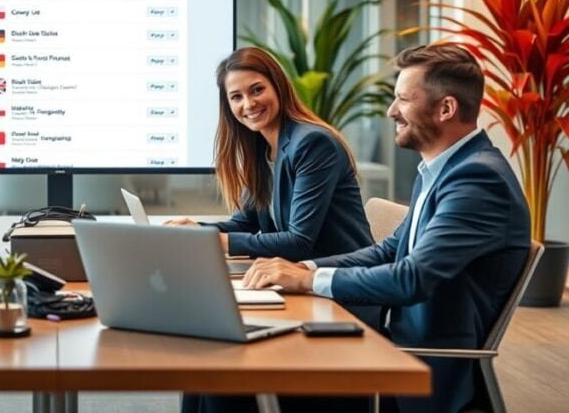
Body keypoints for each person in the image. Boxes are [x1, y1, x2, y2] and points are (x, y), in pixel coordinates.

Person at [244, 44, 531, 413]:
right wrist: (306, 268)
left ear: (446, 108)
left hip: (419, 362)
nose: (391, 111)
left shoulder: (476, 180)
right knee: (226, 372)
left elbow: (411, 278)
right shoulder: (442, 168)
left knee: (235, 387)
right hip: (391, 337)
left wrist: (306, 281)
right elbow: (389, 250)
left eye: (402, 100)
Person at [165, 46, 374, 261]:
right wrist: (196, 230)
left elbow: (299, 241)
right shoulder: (261, 149)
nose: (248, 104)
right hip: (298, 273)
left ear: (278, 86)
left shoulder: (312, 144)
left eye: (257, 90)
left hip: (341, 279)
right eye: (236, 97)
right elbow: (246, 223)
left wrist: (215, 240)